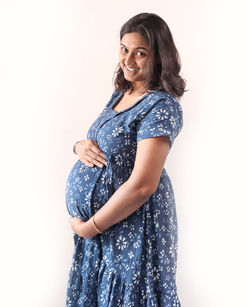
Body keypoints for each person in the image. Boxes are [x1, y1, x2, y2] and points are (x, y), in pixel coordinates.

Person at [65, 12, 186, 307]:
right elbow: (105, 143)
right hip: (107, 228)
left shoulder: (161, 105)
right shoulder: (122, 93)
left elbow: (143, 185)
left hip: (134, 227)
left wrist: (90, 226)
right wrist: (78, 146)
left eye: (140, 53)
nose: (128, 60)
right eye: (124, 49)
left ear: (159, 57)